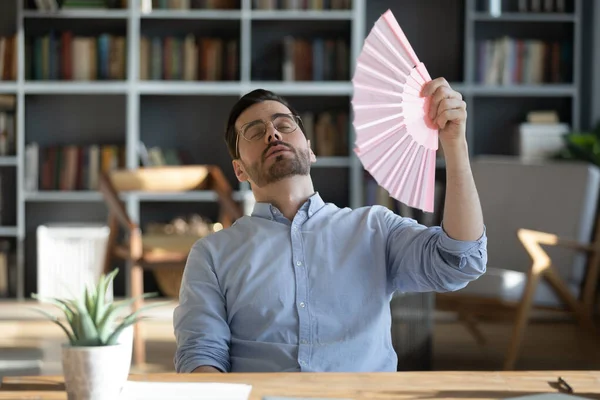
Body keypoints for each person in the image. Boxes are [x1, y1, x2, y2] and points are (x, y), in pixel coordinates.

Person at [173, 77, 487, 373]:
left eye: (284, 124)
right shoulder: (211, 254)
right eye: (255, 131)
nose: (273, 133)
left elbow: (459, 262)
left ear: (310, 150)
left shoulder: (374, 228)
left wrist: (455, 145)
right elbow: (201, 353)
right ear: (239, 170)